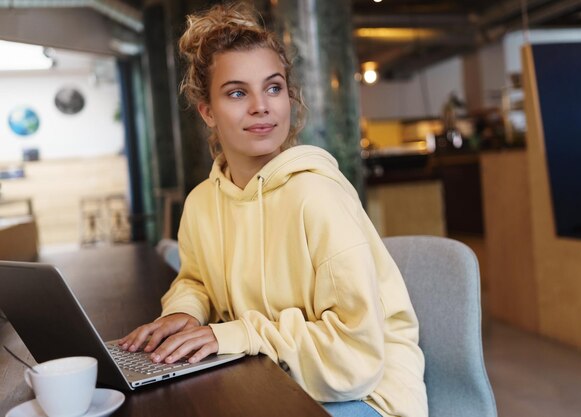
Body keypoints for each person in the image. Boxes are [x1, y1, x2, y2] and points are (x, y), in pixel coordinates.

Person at [119, 3, 427, 417]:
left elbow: (355, 359)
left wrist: (240, 334)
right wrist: (183, 313)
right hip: (273, 378)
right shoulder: (202, 203)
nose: (261, 106)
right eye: (236, 92)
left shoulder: (318, 196)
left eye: (274, 87)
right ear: (207, 111)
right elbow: (197, 280)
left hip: (367, 394)